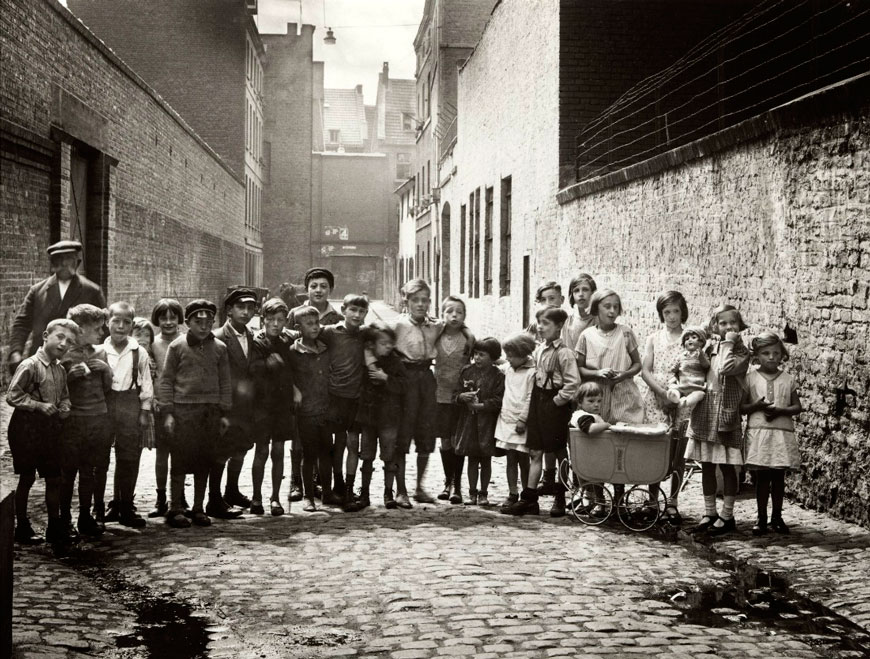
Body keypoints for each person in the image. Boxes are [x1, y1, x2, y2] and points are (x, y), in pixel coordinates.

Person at [158, 300, 233, 528]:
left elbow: (225, 382)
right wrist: (168, 412)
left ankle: (199, 508)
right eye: (197, 322)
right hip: (183, 411)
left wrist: (223, 412)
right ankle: (175, 509)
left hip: (209, 412)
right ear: (188, 322)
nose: (203, 326)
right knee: (180, 459)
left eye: (208, 321)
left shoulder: (220, 348)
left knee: (205, 459)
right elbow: (167, 380)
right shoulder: (177, 346)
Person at [504, 308, 580, 517]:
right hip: (539, 401)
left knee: (557, 451)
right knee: (535, 451)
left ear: (559, 327)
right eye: (539, 322)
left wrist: (557, 401)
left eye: (546, 323)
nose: (540, 326)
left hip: (555, 406)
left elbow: (573, 384)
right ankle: (529, 499)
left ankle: (561, 497)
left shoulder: (564, 353)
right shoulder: (538, 350)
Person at [7, 319, 77, 544]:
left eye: (69, 342)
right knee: (27, 477)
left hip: (49, 429)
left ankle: (54, 526)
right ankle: (22, 526)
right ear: (46, 335)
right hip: (26, 428)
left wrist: (65, 406)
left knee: (54, 478)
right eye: (60, 337)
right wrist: (37, 405)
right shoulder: (30, 365)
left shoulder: (60, 369)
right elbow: (12, 395)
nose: (64, 344)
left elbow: (64, 396)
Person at [686, 304, 750, 537]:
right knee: (707, 466)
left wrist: (729, 342)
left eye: (732, 323)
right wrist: (708, 332)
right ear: (715, 325)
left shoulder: (741, 352)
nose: (728, 327)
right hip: (706, 412)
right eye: (722, 323)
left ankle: (727, 514)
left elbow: (724, 368)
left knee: (727, 466)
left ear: (740, 326)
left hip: (725, 414)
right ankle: (710, 512)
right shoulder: (710, 346)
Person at [8, 240, 105, 375]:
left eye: (69, 259)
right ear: (52, 264)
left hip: (78, 365)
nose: (64, 264)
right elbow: (22, 324)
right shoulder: (37, 291)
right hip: (42, 362)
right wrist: (16, 352)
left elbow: (102, 327)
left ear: (77, 262)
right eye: (59, 259)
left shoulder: (92, 290)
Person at [392, 279, 446, 507]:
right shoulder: (398, 325)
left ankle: (419, 487)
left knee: (426, 434)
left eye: (425, 300)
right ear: (406, 301)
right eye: (416, 300)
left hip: (426, 379)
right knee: (403, 434)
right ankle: (401, 490)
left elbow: (455, 324)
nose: (421, 304)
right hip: (405, 379)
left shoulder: (435, 325)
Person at [211, 287, 265, 518]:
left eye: (250, 308)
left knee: (242, 448)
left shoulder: (253, 336)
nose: (245, 312)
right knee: (221, 451)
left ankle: (231, 491)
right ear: (229, 310)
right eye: (240, 307)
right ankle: (214, 500)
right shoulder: (218, 337)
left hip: (247, 406)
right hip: (227, 405)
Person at [742, 332, 802, 535]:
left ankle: (777, 517)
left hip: (781, 434)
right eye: (766, 353)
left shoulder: (787, 379)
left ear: (782, 355)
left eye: (776, 353)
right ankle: (761, 518)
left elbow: (797, 407)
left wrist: (781, 410)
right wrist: (756, 406)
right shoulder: (750, 378)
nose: (771, 357)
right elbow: (742, 408)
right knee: (761, 478)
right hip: (759, 432)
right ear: (757, 355)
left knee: (778, 477)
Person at [60, 304, 112, 539]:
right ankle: (64, 519)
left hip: (98, 419)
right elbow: (54, 390)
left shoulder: (100, 353)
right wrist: (68, 377)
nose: (102, 334)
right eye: (97, 329)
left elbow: (108, 387)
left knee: (89, 471)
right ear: (80, 329)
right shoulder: (64, 355)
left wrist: (106, 371)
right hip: (74, 421)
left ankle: (85, 516)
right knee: (68, 471)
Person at [102, 302, 153, 528]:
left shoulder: (138, 352)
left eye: (126, 323)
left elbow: (147, 385)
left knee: (129, 457)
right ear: (107, 322)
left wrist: (144, 411)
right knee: (100, 457)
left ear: (132, 326)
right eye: (116, 321)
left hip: (129, 404)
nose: (121, 327)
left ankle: (125, 505)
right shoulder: (99, 350)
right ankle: (100, 508)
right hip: (104, 406)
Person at [640, 291, 689, 524]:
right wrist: (660, 394)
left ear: (683, 312)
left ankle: (673, 501)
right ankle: (652, 500)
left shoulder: (689, 337)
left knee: (678, 451)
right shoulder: (653, 338)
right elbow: (646, 370)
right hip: (655, 397)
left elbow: (692, 370)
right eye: (666, 312)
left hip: (681, 396)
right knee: (656, 449)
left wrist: (676, 395)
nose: (671, 317)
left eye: (676, 311)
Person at [320, 294, 369, 509]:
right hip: (335, 397)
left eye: (361, 311)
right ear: (344, 311)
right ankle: (337, 484)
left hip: (356, 398)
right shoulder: (331, 333)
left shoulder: (365, 334)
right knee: (337, 444)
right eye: (353, 310)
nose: (357, 315)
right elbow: (304, 333)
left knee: (352, 444)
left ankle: (349, 489)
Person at [250, 298, 297, 515]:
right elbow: (252, 370)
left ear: (286, 321)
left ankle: (276, 498)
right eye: (271, 320)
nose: (275, 324)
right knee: (261, 451)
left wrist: (294, 387)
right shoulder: (256, 342)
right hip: (262, 405)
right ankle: (256, 497)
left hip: (282, 405)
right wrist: (266, 364)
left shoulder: (288, 340)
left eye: (280, 320)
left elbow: (291, 370)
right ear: (263, 320)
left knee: (278, 451)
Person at [355, 321, 407, 510]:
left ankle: (388, 492)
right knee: (367, 455)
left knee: (389, 455)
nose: (388, 347)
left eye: (390, 343)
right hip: (369, 416)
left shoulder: (396, 362)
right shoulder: (366, 360)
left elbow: (404, 385)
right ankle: (365, 493)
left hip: (389, 416)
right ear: (371, 344)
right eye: (383, 343)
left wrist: (387, 379)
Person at [286, 306, 333, 512]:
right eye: (310, 324)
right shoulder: (294, 352)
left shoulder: (324, 348)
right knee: (309, 454)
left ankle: (327, 492)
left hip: (325, 409)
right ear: (298, 328)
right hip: (306, 411)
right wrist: (294, 390)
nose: (315, 327)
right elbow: (288, 377)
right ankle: (308, 495)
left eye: (317, 323)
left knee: (326, 452)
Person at [452, 337, 504, 506]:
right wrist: (462, 397)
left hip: (487, 423)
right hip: (469, 422)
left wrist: (482, 405)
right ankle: (472, 492)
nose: (478, 358)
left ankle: (483, 493)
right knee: (472, 458)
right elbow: (455, 394)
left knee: (486, 458)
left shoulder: (497, 375)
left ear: (493, 357)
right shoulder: (467, 372)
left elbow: (499, 399)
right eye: (476, 354)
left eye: (482, 355)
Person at [146, 298, 185, 518]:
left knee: (183, 453)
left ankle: (179, 498)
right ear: (157, 319)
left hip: (184, 404)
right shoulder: (154, 344)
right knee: (162, 454)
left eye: (173, 317)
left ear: (179, 318)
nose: (169, 322)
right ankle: (161, 498)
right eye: (163, 317)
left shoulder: (187, 340)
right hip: (162, 405)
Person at [434, 296, 474, 502]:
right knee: (445, 440)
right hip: (440, 395)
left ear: (465, 316)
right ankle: (447, 481)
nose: (454, 315)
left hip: (460, 397)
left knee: (458, 441)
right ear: (442, 315)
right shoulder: (436, 336)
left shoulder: (468, 339)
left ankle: (457, 485)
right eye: (449, 311)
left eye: (459, 312)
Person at [494, 332, 536, 511]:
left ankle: (527, 495)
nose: (507, 358)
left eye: (511, 355)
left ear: (523, 354)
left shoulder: (531, 373)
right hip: (506, 419)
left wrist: (523, 420)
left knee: (523, 459)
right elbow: (499, 363)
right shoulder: (509, 368)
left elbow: (529, 398)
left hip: (521, 423)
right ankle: (512, 492)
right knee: (510, 459)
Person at [666, 326, 710, 408]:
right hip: (683, 385)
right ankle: (675, 395)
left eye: (693, 337)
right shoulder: (681, 356)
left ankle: (686, 402)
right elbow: (673, 370)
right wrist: (675, 367)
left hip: (696, 386)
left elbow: (706, 366)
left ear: (701, 343)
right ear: (684, 344)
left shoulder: (702, 355)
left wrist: (701, 357)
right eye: (686, 339)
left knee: (701, 394)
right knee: (672, 386)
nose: (689, 340)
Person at [563, 273, 597, 350]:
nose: (581, 294)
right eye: (576, 290)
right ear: (572, 295)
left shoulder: (599, 320)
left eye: (585, 289)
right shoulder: (568, 322)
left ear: (592, 292)